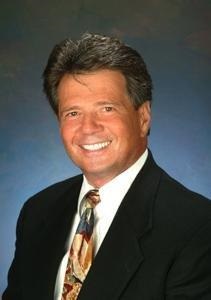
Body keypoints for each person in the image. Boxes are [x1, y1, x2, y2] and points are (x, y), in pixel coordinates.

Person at [3, 33, 211, 300]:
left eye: (107, 109)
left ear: (143, 117)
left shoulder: (196, 228)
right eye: (73, 113)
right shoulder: (37, 212)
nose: (88, 128)